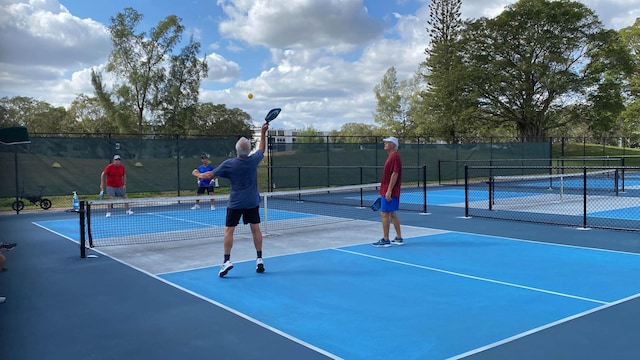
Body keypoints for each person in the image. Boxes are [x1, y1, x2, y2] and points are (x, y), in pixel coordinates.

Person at [194, 123, 269, 277]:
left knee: (229, 231)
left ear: (237, 150)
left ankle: (226, 261)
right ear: (248, 150)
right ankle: (259, 259)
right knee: (255, 229)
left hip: (235, 203)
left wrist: (197, 174)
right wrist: (263, 132)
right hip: (252, 202)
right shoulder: (253, 160)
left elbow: (209, 176)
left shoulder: (229, 164)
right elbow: (262, 148)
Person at [372, 136, 403, 247]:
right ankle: (399, 237)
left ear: (393, 145)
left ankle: (385, 239)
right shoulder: (392, 156)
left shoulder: (394, 157)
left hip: (389, 192)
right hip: (388, 191)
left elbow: (395, 174)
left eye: (387, 142)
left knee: (384, 214)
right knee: (392, 214)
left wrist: (389, 191)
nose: (385, 143)